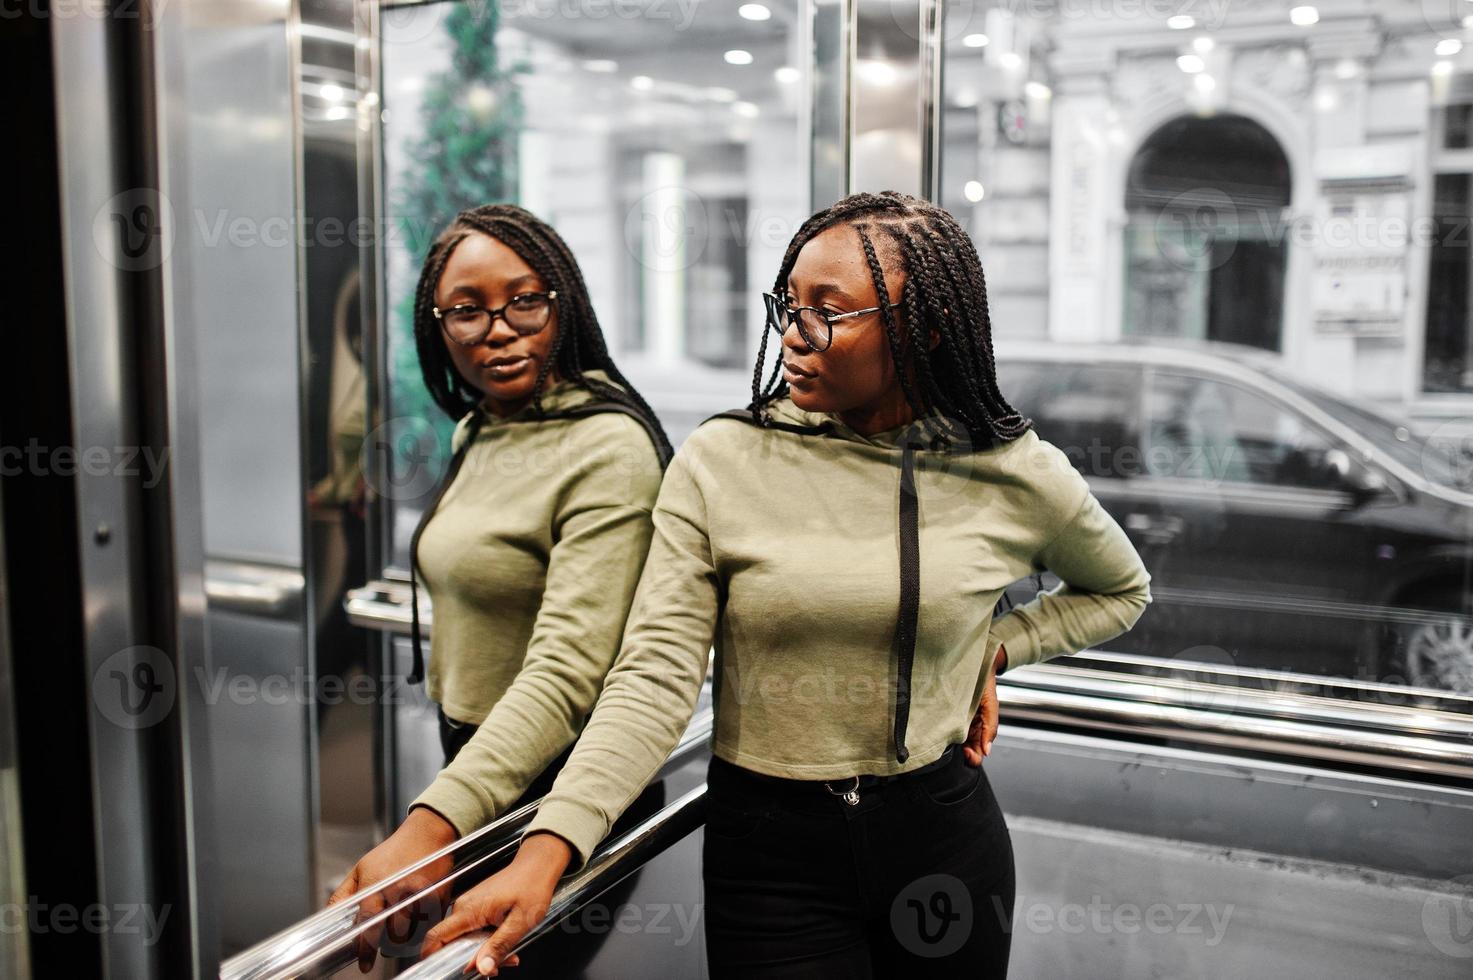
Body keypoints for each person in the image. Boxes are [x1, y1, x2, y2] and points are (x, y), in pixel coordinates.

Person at [414, 191, 1154, 977]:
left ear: (924, 326)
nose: (792, 335)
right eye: (786, 305)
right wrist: (547, 849)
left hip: (939, 838)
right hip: (770, 857)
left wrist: (993, 650)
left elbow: (1119, 591)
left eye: (825, 312)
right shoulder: (722, 461)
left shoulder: (1009, 469)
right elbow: (652, 679)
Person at [327, 203, 671, 972]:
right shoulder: (480, 426)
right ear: (436, 327)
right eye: (466, 310)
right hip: (479, 763)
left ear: (565, 302)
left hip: (561, 780)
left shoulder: (607, 446)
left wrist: (428, 827)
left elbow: (566, 671)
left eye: (525, 300)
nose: (498, 328)